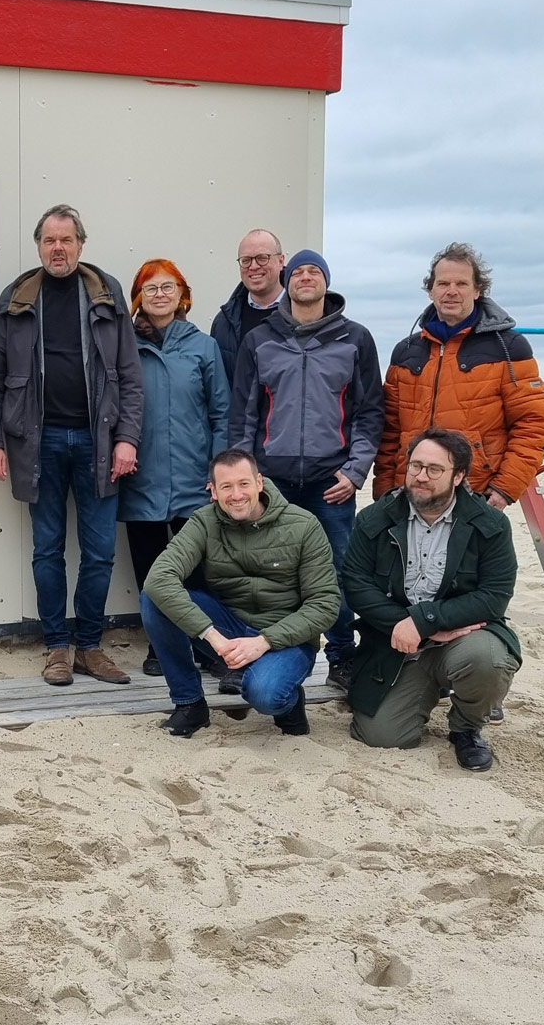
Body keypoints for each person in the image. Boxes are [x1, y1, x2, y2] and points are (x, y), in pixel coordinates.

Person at [0, 204, 142, 687]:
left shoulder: (107, 295)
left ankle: (90, 646)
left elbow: (130, 378)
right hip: (37, 442)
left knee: (100, 552)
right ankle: (56, 648)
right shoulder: (19, 298)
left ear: (81, 244)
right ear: (39, 246)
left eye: (66, 240)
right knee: (47, 550)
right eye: (49, 241)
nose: (58, 249)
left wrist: (126, 439)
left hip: (100, 442)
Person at [229, 249, 383, 689]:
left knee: (335, 570)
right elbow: (243, 416)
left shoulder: (356, 339)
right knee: (263, 570)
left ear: (326, 283)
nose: (305, 277)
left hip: (331, 482)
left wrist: (354, 472)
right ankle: (257, 657)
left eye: (314, 271)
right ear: (287, 281)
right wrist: (249, 479)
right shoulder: (260, 340)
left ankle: (341, 657)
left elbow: (370, 412)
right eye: (297, 272)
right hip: (272, 482)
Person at [342, 429, 522, 771]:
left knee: (487, 660)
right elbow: (355, 585)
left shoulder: (491, 524)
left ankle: (466, 728)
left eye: (434, 469)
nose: (421, 477)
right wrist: (406, 625)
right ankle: (428, 688)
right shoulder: (374, 519)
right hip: (396, 644)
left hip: (462, 638)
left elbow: (494, 596)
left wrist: (423, 621)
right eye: (415, 466)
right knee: (381, 735)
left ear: (459, 476)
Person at [139, 449, 340, 738]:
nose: (236, 495)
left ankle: (290, 701)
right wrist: (214, 638)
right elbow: (159, 578)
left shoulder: (304, 525)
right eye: (226, 487)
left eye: (244, 484)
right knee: (152, 599)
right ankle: (190, 704)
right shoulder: (204, 522)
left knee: (267, 696)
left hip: (287, 637)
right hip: (230, 628)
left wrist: (263, 642)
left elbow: (325, 605)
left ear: (259, 482)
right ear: (213, 490)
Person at [115, 259, 229, 677]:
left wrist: (216, 471)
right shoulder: (123, 345)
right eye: (150, 288)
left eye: (168, 287)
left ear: (183, 296)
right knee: (150, 570)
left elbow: (222, 412)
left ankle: (204, 644)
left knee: (197, 570)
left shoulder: (203, 347)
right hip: (139, 477)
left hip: (193, 480)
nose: (159, 295)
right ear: (137, 298)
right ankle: (159, 644)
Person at [373, 242, 544, 506]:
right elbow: (389, 432)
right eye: (443, 284)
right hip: (410, 490)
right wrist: (384, 491)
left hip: (475, 492)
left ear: (478, 290)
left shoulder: (509, 347)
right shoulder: (406, 352)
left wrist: (505, 488)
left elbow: (532, 425)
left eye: (462, 284)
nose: (452, 292)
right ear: (431, 290)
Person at [208, 229, 286, 387]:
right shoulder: (223, 322)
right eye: (246, 260)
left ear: (281, 261)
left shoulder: (302, 316)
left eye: (262, 258)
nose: (254, 266)